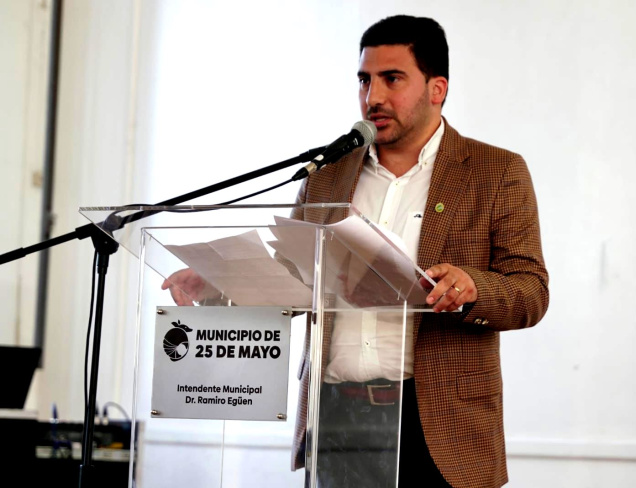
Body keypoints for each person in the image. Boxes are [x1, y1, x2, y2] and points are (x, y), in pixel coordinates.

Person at [164, 14, 548, 488]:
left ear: (437, 89)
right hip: (336, 415)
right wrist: (221, 280)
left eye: (392, 79)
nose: (373, 96)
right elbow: (294, 278)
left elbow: (531, 291)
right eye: (364, 80)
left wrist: (472, 289)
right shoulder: (326, 175)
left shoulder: (495, 172)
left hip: (439, 424)